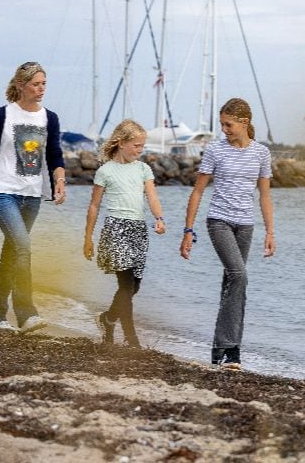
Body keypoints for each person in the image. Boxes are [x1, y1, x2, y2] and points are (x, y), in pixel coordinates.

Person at [0, 62, 66, 333]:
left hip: (31, 195)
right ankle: (26, 313)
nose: (41, 88)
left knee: (12, 253)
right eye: (36, 84)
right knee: (23, 247)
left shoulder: (49, 118)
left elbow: (55, 153)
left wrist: (60, 180)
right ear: (21, 85)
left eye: (44, 83)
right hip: (1, 190)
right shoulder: (2, 115)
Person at [179, 97, 275, 370]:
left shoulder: (261, 153)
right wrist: (188, 230)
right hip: (219, 221)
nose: (225, 130)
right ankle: (230, 349)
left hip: (246, 225)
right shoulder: (215, 150)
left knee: (232, 284)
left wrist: (270, 232)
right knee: (239, 276)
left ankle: (222, 350)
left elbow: (265, 195)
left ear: (244, 123)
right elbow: (198, 191)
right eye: (222, 124)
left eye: (228, 124)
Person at [84, 119, 165, 348]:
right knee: (126, 285)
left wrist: (159, 218)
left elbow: (152, 197)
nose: (140, 150)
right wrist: (87, 238)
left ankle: (108, 319)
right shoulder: (105, 171)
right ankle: (131, 338)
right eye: (136, 146)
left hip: (138, 230)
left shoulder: (143, 169)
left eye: (142, 146)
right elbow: (94, 206)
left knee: (134, 286)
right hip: (116, 228)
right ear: (121, 143)